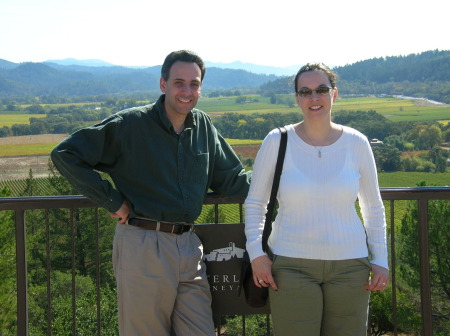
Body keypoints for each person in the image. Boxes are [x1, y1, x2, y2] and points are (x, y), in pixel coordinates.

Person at [51, 50, 251, 336]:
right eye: (178, 82)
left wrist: (279, 178)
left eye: (194, 84)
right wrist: (110, 199)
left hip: (189, 246)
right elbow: (65, 153)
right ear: (163, 84)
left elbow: (231, 181)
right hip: (144, 243)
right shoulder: (131, 124)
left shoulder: (203, 125)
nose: (186, 91)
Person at [244, 63, 389, 335]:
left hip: (351, 267)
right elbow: (255, 204)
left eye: (321, 89)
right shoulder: (277, 141)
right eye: (305, 91)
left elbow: (373, 207)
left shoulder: (357, 143)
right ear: (297, 98)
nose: (314, 97)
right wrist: (257, 255)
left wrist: (381, 258)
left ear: (334, 94)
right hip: (290, 266)